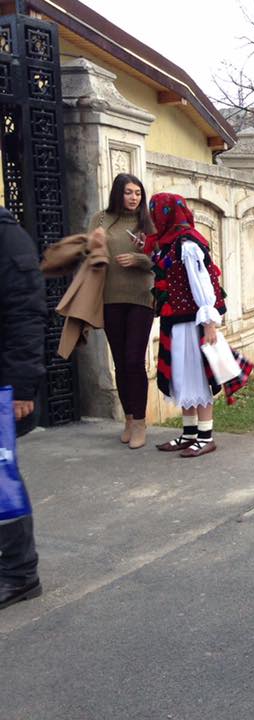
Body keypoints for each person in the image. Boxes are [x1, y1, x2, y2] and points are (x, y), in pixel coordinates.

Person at [146, 193, 228, 458]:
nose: (153, 218)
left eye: (156, 212)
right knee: (181, 376)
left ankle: (206, 436)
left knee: (197, 377)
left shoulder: (187, 244)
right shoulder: (169, 243)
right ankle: (190, 433)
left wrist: (209, 322)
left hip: (192, 322)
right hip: (175, 322)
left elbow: (202, 283)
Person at [0, 207, 47, 610]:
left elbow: (27, 319)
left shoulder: (9, 241)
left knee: (1, 480)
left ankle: (20, 573)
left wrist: (20, 388)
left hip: (3, 384)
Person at [89, 174, 156, 449]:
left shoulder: (148, 223)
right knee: (119, 360)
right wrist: (92, 248)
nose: (134, 198)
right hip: (110, 298)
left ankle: (140, 421)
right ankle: (128, 418)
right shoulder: (101, 219)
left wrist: (140, 258)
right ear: (118, 193)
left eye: (138, 193)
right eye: (128, 192)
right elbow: (90, 253)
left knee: (133, 360)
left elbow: (160, 260)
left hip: (141, 298)